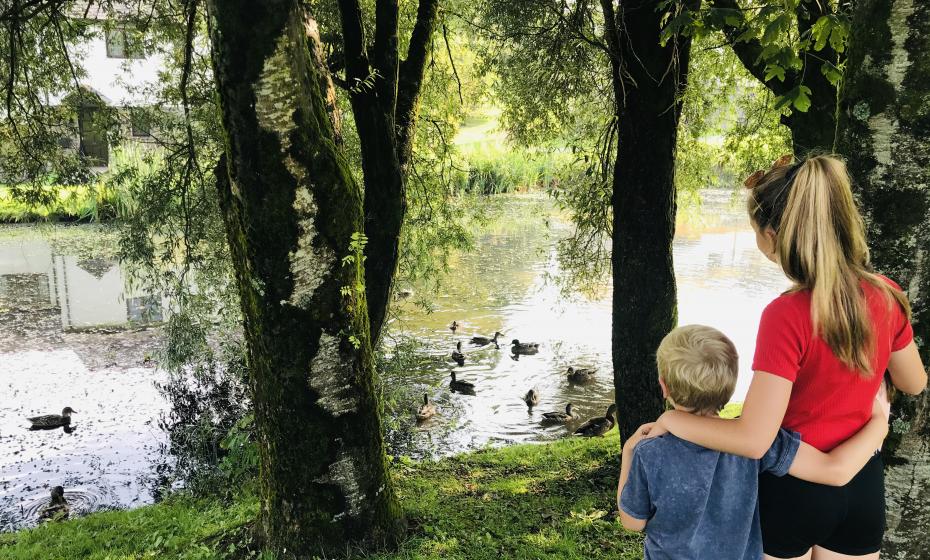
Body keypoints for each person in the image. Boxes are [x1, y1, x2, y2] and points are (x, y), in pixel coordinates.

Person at [649, 155, 927, 559]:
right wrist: (878, 418)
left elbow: (753, 438)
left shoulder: (788, 314)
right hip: (861, 484)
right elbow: (914, 382)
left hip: (791, 489)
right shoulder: (885, 294)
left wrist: (674, 419)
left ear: (775, 234)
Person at [617, 324, 890, 560]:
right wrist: (878, 424)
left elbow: (632, 521)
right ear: (732, 386)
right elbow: (830, 468)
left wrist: (628, 453)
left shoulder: (649, 452)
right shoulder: (757, 439)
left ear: (663, 385)